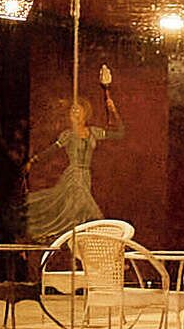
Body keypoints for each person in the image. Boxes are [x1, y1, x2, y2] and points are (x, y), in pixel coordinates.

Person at [24, 71, 119, 241]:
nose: (74, 113)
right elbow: (51, 151)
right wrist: (33, 161)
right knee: (92, 215)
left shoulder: (93, 132)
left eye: (78, 110)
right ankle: (105, 242)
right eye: (72, 111)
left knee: (78, 216)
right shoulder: (67, 135)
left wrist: (113, 111)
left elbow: (119, 133)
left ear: (85, 113)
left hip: (86, 177)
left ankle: (82, 247)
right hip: (73, 177)